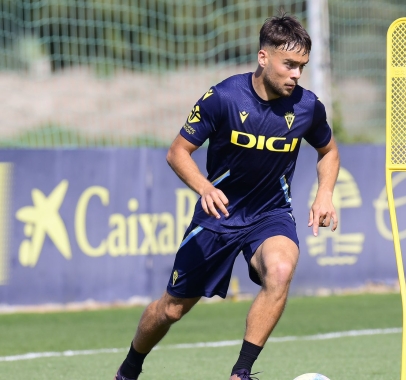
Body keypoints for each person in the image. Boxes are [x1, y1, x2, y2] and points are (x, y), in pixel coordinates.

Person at [114, 13, 340, 379]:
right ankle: (129, 368)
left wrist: (325, 193)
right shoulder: (222, 97)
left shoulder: (307, 107)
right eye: (290, 65)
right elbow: (177, 152)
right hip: (218, 216)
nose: (297, 74)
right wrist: (204, 187)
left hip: (270, 214)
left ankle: (241, 372)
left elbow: (328, 151)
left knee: (280, 270)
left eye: (302, 67)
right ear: (263, 57)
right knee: (171, 310)